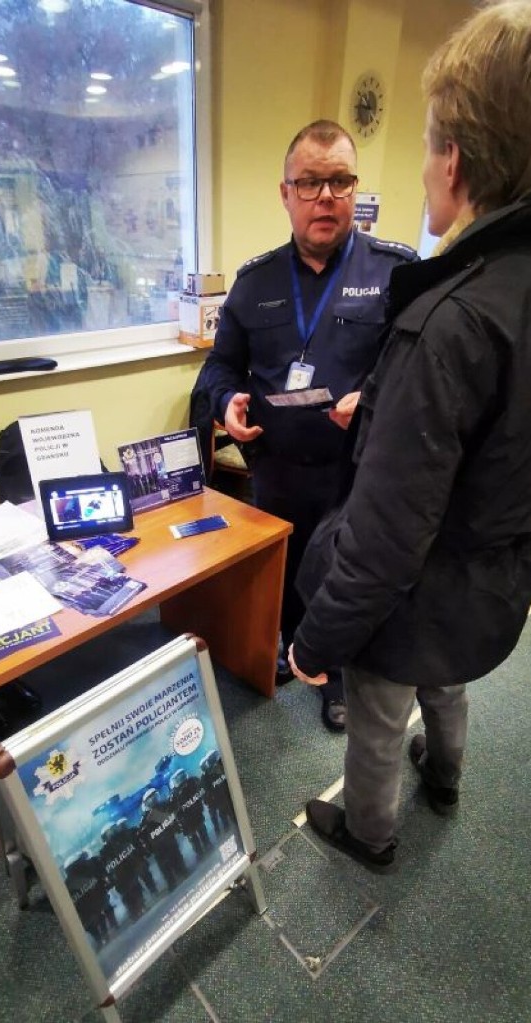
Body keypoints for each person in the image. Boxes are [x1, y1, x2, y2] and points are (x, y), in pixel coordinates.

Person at [290, 0, 531, 871]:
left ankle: (371, 833)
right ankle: (444, 775)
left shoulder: (447, 317)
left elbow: (384, 536)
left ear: (453, 157)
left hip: (414, 587)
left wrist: (314, 640)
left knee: (377, 711)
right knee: (449, 680)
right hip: (497, 575)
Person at [200, 119, 416, 733]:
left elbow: (418, 367)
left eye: (340, 181)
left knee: (346, 574)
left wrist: (372, 396)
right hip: (277, 467)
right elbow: (220, 366)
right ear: (286, 193)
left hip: (356, 468)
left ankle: (338, 675)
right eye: (311, 183)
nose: (326, 196)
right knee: (291, 567)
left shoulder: (397, 271)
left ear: (354, 189)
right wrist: (227, 404)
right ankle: (296, 647)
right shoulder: (254, 281)